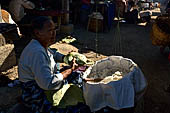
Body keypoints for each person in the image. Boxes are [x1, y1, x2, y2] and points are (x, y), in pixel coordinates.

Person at [18, 16, 78, 113]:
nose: (54, 33)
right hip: (35, 91)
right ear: (38, 33)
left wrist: (65, 58)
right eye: (50, 30)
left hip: (42, 82)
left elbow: (52, 53)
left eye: (54, 29)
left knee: (76, 75)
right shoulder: (37, 52)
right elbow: (48, 84)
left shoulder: (40, 45)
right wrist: (68, 71)